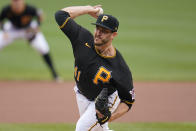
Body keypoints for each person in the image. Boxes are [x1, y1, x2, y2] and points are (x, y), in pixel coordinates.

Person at [55, 5, 135, 131]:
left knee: (82, 128)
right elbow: (61, 15)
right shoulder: (82, 38)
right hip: (81, 94)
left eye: (104, 31)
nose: (98, 33)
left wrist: (110, 117)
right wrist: (88, 9)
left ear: (114, 35)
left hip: (105, 99)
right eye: (97, 28)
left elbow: (128, 101)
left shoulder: (120, 67)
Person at [0, 0, 60, 81]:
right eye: (14, 1)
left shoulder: (30, 9)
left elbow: (41, 15)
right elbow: (1, 20)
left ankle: (55, 74)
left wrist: (37, 26)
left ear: (22, 1)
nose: (16, 3)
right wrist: (4, 30)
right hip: (12, 29)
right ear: (12, 2)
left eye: (18, 1)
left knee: (43, 48)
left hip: (28, 29)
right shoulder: (6, 10)